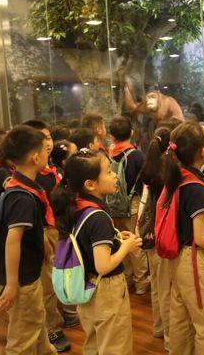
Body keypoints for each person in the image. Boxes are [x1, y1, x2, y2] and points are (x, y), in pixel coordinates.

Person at [51, 149, 142, 355]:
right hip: (105, 290)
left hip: (88, 285)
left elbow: (87, 242)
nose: (115, 175)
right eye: (109, 171)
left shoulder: (76, 206)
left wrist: (116, 238)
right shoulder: (98, 217)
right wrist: (126, 247)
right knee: (115, 346)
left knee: (94, 343)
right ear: (90, 184)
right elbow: (103, 265)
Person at [159, 121, 204, 354]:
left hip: (177, 259)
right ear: (203, 151)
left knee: (180, 320)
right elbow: (200, 238)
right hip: (194, 261)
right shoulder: (195, 188)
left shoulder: (179, 177)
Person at [0, 126, 57, 355]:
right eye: (45, 149)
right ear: (35, 157)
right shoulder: (22, 197)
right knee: (22, 341)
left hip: (27, 275)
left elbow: (29, 229)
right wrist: (11, 284)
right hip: (21, 281)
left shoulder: (20, 185)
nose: (49, 152)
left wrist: (43, 242)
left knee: (36, 325)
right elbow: (13, 240)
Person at [23, 119, 74, 351]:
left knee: (59, 274)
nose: (48, 143)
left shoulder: (52, 168)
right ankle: (52, 328)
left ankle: (62, 314)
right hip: (42, 232)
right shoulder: (29, 176)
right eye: (42, 139)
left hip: (56, 228)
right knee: (47, 283)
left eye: (49, 137)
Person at [140, 119, 181, 349]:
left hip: (150, 234)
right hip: (164, 234)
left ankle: (158, 326)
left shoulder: (152, 165)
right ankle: (169, 337)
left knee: (157, 285)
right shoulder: (169, 170)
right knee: (166, 288)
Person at [108, 115, 149, 295]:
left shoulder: (108, 155)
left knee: (120, 242)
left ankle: (126, 277)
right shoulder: (137, 155)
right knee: (134, 243)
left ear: (112, 136)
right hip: (132, 205)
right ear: (131, 133)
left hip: (112, 205)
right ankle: (141, 283)